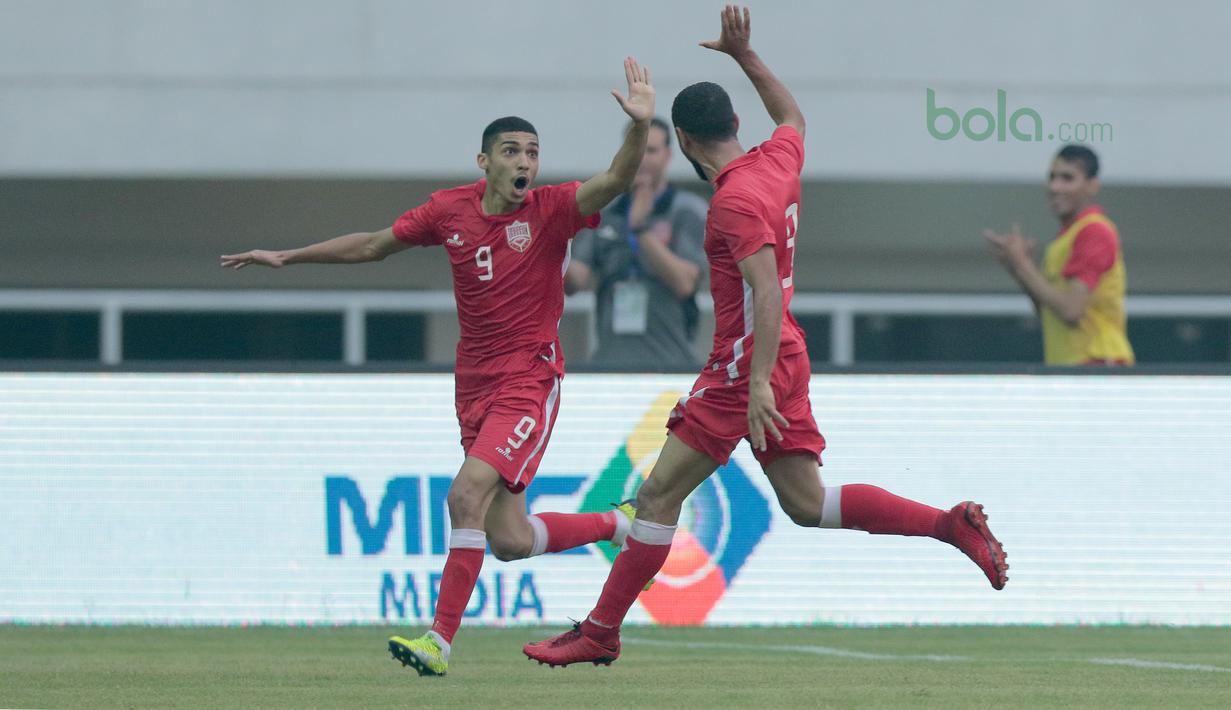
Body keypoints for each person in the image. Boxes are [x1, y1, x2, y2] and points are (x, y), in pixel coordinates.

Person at [524, 6, 1008, 668]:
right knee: (807, 503)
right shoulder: (776, 159)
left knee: (658, 496)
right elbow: (793, 118)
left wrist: (750, 388)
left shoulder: (732, 199)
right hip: (781, 354)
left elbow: (761, 291)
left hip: (745, 366)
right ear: (732, 127)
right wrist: (744, 55)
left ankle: (601, 631)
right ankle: (947, 524)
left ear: (687, 144)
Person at [220, 57, 657, 676]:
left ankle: (439, 641)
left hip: (529, 378)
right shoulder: (449, 211)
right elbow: (373, 245)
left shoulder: (553, 209)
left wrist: (637, 127)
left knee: (464, 494)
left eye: (532, 152)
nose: (525, 163)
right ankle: (619, 523)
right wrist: (288, 257)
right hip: (473, 385)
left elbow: (614, 179)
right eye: (511, 151)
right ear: (485, 162)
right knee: (508, 540)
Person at [565, 116, 709, 369]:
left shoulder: (687, 210)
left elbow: (685, 282)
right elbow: (575, 282)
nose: (642, 159)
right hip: (610, 364)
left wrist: (640, 229)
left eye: (651, 151)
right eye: (636, 150)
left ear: (668, 156)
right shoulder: (602, 211)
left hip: (674, 366)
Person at [984, 145, 1135, 365]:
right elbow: (1048, 310)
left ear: (1092, 186)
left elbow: (1071, 310)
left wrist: (1023, 265)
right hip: (1073, 365)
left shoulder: (1094, 231)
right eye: (1052, 177)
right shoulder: (1065, 239)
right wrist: (1017, 267)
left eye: (1067, 178)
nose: (1055, 187)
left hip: (1097, 363)